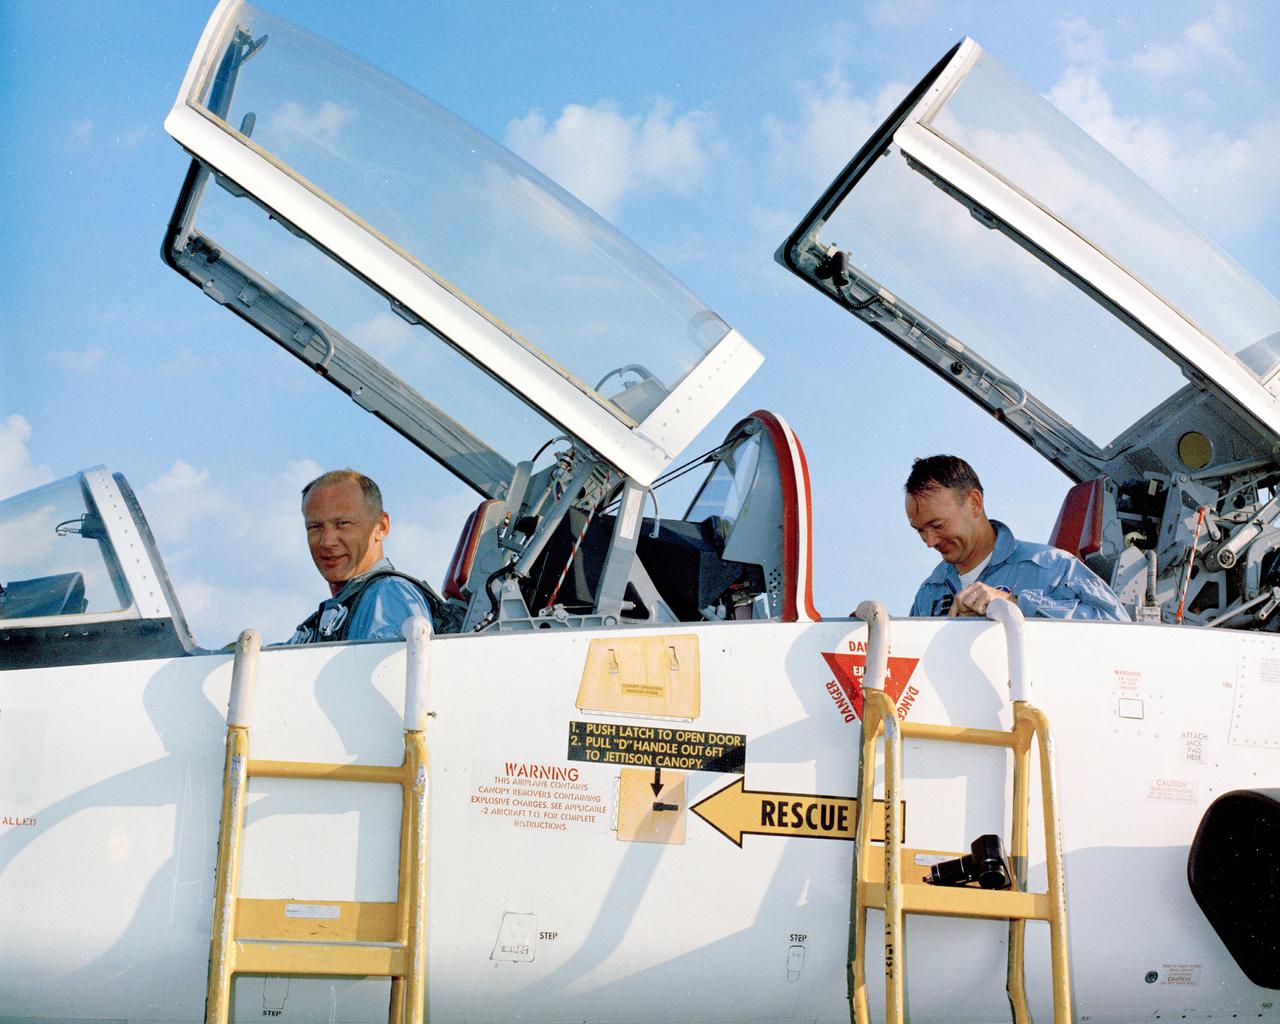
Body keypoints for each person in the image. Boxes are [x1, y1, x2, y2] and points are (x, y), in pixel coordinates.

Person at [905, 455, 1129, 621]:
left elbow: (1118, 625)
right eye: (920, 531)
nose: (930, 541)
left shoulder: (1053, 568)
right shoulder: (929, 593)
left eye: (937, 525)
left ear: (974, 503)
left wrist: (1014, 603)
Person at [286, 469, 436, 644]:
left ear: (381, 526)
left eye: (343, 524)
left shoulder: (389, 595)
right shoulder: (328, 620)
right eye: (315, 527)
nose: (327, 542)